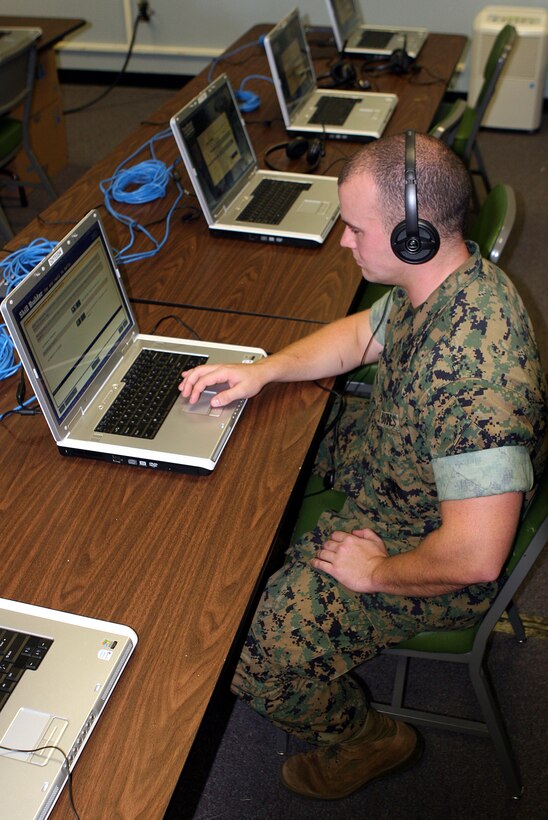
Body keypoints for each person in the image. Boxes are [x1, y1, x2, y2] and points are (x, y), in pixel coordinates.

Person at [179, 131, 547, 800]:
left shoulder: (476, 376)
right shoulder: (439, 279)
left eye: (355, 228)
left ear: (413, 237)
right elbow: (359, 336)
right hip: (401, 466)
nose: (344, 242)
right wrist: (261, 373)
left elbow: (474, 557)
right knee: (260, 437)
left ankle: (364, 738)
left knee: (252, 656)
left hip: (427, 552)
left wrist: (374, 572)